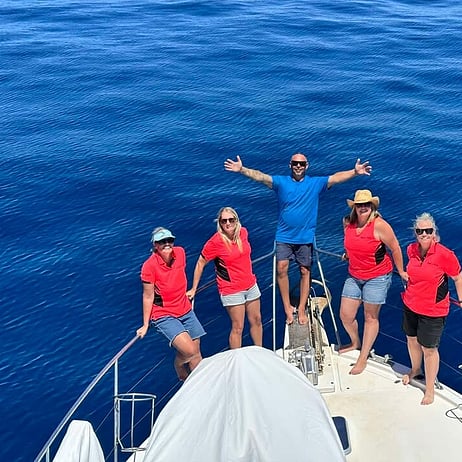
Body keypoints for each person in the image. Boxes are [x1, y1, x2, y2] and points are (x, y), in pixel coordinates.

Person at [224, 153, 372, 326]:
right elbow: (261, 177)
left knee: (305, 271)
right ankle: (287, 308)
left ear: (307, 166)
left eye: (301, 163)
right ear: (290, 165)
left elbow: (336, 178)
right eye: (295, 163)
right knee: (281, 268)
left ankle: (301, 308)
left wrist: (354, 172)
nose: (298, 166)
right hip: (284, 236)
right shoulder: (281, 182)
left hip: (305, 238)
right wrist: (242, 169)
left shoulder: (315, 183)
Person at [339, 190, 407, 375]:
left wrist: (401, 271)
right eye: (359, 205)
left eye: (366, 204)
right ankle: (355, 342)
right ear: (354, 207)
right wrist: (349, 255)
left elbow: (395, 248)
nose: (363, 208)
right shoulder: (348, 223)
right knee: (346, 315)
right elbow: (351, 244)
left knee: (370, 317)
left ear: (372, 206)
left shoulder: (380, 225)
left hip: (377, 277)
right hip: (354, 275)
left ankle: (363, 356)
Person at [401, 212, 462, 405]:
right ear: (415, 233)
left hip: (433, 310)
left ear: (434, 232)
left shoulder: (445, 255)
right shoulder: (411, 249)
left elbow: (458, 277)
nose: (424, 234)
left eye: (428, 230)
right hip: (411, 304)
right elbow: (412, 271)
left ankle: (429, 389)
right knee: (411, 340)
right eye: (420, 231)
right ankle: (415, 370)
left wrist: (461, 299)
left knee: (429, 349)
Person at [186, 207, 262, 349]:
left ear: (236, 220)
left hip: (251, 284)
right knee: (238, 327)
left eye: (231, 220)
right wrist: (194, 288)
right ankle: (236, 358)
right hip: (232, 290)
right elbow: (201, 262)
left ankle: (261, 352)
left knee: (257, 320)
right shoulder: (215, 242)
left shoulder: (243, 233)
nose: (228, 223)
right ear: (219, 223)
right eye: (224, 221)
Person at [136, 227, 206, 381]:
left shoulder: (180, 253)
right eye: (162, 241)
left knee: (196, 353)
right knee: (189, 351)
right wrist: (145, 324)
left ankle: (198, 385)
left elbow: (178, 276)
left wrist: (191, 290)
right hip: (164, 314)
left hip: (185, 308)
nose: (167, 244)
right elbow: (148, 296)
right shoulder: (149, 266)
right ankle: (178, 365)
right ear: (155, 245)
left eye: (169, 240)